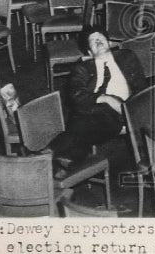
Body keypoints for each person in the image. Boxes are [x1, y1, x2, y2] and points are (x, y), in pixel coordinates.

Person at [51, 27, 147, 166]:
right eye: (93, 41)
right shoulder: (83, 68)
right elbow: (76, 95)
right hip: (93, 110)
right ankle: (64, 161)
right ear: (90, 52)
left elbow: (141, 86)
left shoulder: (127, 57)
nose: (98, 42)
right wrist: (106, 98)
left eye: (100, 38)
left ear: (109, 42)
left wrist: (129, 109)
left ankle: (47, 153)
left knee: (81, 125)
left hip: (119, 111)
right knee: (84, 124)